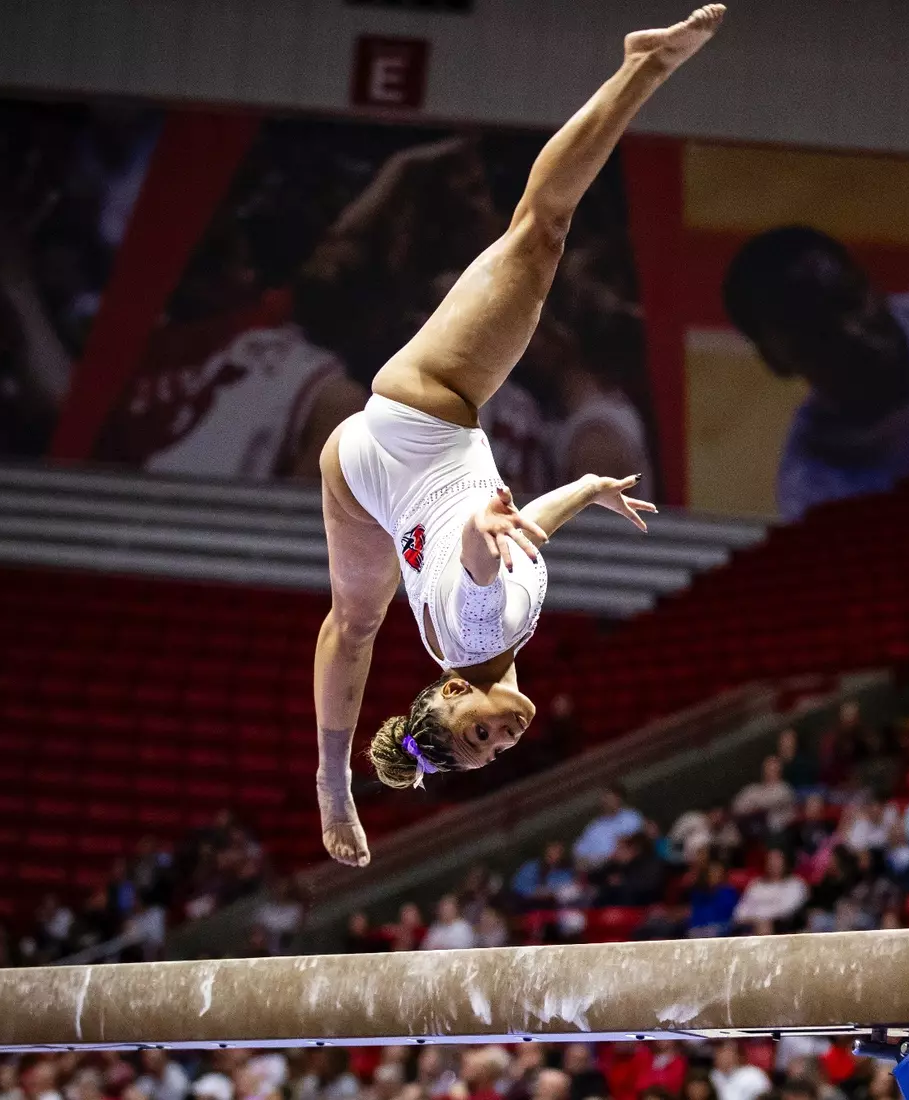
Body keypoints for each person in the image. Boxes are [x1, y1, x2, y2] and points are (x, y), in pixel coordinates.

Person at [311, 5, 726, 866]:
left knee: (539, 232)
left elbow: (477, 555)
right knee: (353, 625)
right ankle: (330, 782)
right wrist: (583, 491)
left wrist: (481, 528)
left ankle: (643, 66)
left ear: (452, 691)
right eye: (493, 750)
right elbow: (516, 541)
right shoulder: (499, 640)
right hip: (361, 480)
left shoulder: (471, 633)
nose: (501, 739)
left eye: (474, 734)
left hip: (424, 413)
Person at [571, 787, 649, 871]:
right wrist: (605, 859)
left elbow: (647, 840)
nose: (607, 801)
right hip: (605, 870)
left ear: (620, 799)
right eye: (605, 798)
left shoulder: (632, 816)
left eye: (611, 798)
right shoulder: (593, 828)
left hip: (638, 866)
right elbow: (578, 858)